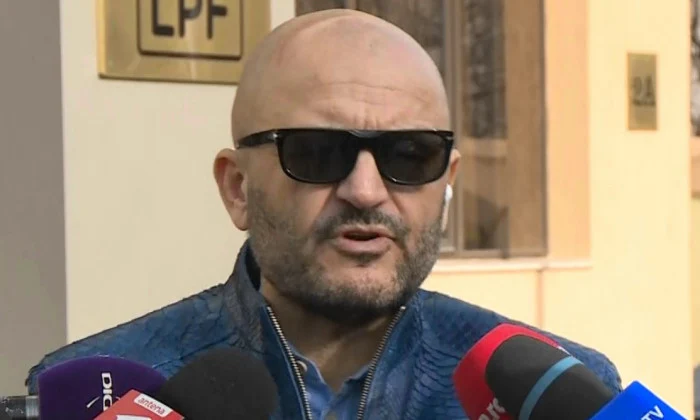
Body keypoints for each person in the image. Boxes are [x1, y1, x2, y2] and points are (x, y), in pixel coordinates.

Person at [25, 9, 622, 420]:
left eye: (410, 155)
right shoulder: (94, 396)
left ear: (447, 182)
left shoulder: (562, 398)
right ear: (237, 188)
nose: (365, 191)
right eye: (316, 153)